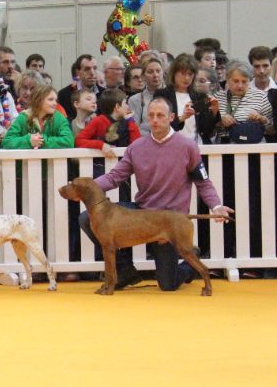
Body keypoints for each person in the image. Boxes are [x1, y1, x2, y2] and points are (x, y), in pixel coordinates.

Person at [78, 97, 233, 291]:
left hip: (169, 220)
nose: (155, 120)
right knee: (86, 218)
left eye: (160, 115)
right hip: (141, 212)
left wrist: (216, 206)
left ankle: (189, 262)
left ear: (171, 117)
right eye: (151, 116)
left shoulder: (188, 146)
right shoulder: (136, 147)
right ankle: (125, 270)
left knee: (168, 285)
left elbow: (203, 182)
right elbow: (114, 177)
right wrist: (86, 188)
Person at [154, 53, 217, 144]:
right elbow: (160, 126)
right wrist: (182, 118)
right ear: (174, 73)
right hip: (170, 146)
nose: (187, 78)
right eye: (183, 73)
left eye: (190, 74)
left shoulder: (200, 96)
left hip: (196, 147)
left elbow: (207, 131)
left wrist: (214, 111)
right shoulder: (162, 95)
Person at [213, 60, 271, 144]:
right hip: (224, 148)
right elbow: (208, 131)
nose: (240, 85)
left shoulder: (260, 96)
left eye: (244, 81)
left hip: (254, 148)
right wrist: (219, 122)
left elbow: (271, 130)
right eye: (236, 81)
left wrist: (262, 119)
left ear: (250, 81)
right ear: (228, 79)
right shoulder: (217, 97)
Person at [1, 84, 74, 150]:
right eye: (50, 99)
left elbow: (69, 141)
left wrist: (42, 141)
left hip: (51, 164)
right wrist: (29, 141)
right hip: (26, 163)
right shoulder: (23, 117)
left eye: (56, 100)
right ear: (38, 100)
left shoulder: (59, 118)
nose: (55, 103)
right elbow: (7, 142)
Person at [76, 88, 141, 156]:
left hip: (124, 164)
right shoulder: (98, 121)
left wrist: (130, 121)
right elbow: (79, 141)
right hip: (102, 164)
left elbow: (137, 145)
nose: (128, 106)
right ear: (117, 107)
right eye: (125, 103)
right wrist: (101, 145)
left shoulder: (128, 122)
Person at [58, 54, 102, 120]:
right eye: (87, 69)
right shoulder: (64, 94)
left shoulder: (104, 93)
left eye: (95, 68)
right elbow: (65, 121)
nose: (92, 73)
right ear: (78, 72)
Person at [129, 56, 165, 135]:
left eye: (158, 71)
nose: (155, 75)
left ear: (163, 73)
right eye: (150, 72)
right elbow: (135, 128)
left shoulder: (172, 95)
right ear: (143, 76)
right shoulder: (135, 100)